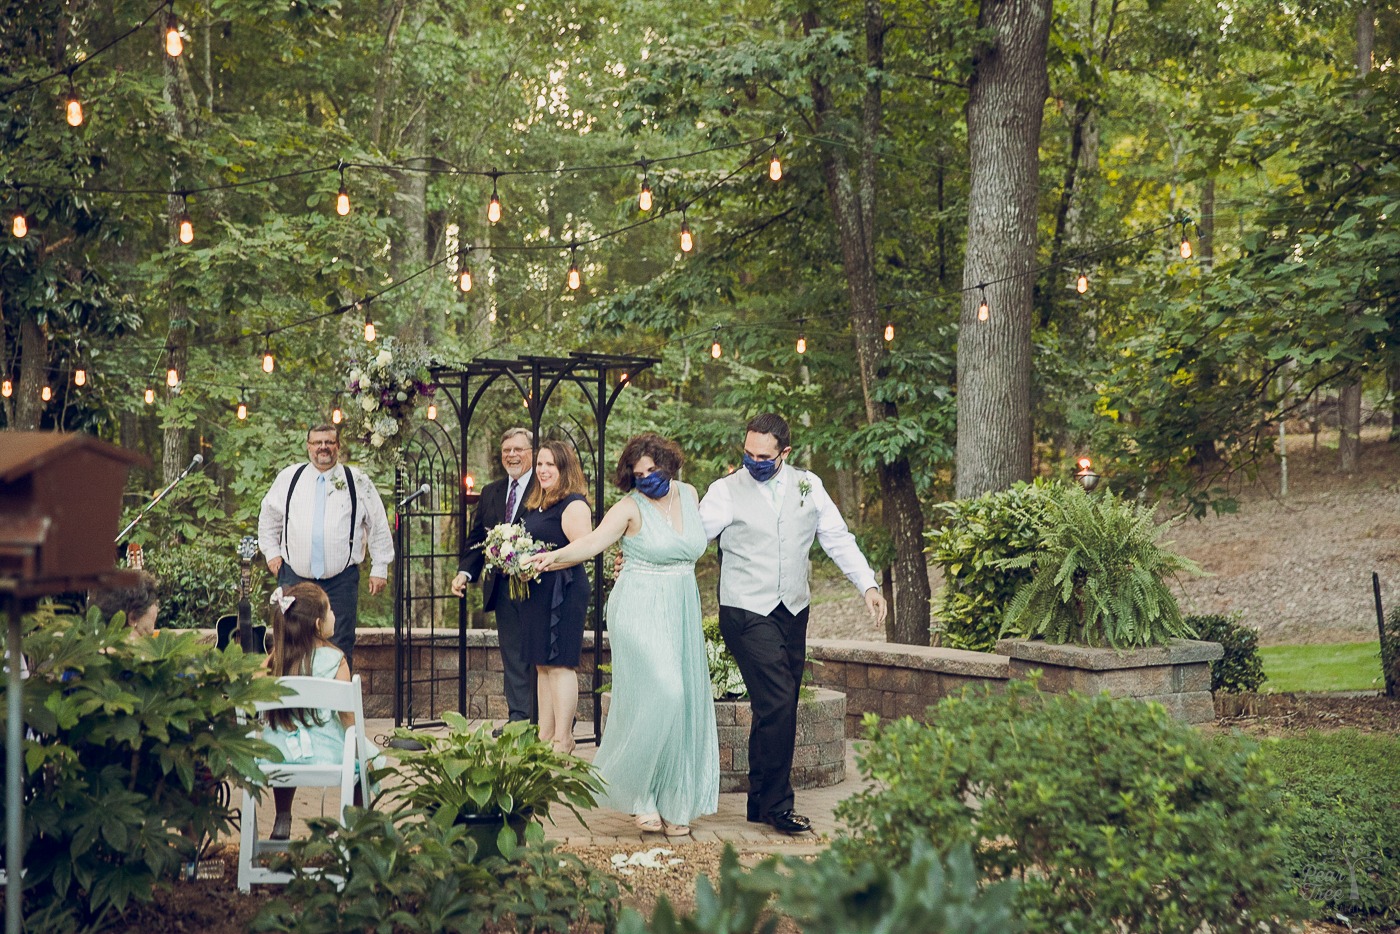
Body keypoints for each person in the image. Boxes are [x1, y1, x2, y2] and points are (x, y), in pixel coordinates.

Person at [699, 413, 887, 835]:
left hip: (793, 611)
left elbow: (838, 538)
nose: (753, 462)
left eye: (763, 456)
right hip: (745, 609)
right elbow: (692, 537)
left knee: (774, 706)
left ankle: (760, 803)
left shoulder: (810, 486)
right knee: (781, 698)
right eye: (747, 454)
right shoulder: (724, 492)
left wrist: (868, 585)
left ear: (785, 452)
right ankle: (779, 806)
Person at [528, 433, 717, 836]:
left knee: (680, 705)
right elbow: (593, 542)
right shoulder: (628, 507)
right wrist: (551, 558)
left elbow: (692, 541)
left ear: (670, 464)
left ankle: (671, 796)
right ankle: (638, 795)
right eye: (639, 474)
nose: (647, 477)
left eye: (653, 470)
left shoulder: (688, 493)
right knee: (667, 692)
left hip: (681, 605)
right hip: (638, 606)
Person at [258, 424, 394, 670]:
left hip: (340, 581)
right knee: (289, 642)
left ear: (338, 446)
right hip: (294, 577)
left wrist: (380, 566)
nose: (323, 447)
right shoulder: (290, 478)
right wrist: (272, 553)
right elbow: (269, 517)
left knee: (339, 643)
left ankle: (334, 705)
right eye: (317, 442)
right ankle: (292, 706)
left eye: (329, 442)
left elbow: (378, 522)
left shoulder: (357, 480)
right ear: (308, 446)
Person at [260, 582, 360, 841]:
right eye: (330, 611)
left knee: (283, 737)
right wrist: (359, 746)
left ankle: (283, 816)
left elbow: (253, 695)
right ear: (318, 624)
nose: (335, 615)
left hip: (277, 754)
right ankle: (358, 826)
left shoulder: (275, 659)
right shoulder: (336, 659)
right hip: (327, 753)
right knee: (362, 759)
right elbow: (347, 718)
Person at [450, 428, 536, 729]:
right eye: (506, 451)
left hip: (538, 585)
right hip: (502, 588)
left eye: (518, 449)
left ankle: (545, 718)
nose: (511, 455)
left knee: (539, 654)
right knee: (512, 654)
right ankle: (519, 718)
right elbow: (477, 539)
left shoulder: (545, 487)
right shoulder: (491, 492)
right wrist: (464, 572)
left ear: (532, 453)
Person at [515, 439, 592, 755]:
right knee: (542, 665)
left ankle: (564, 739)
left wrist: (547, 560)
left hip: (565, 590)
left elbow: (583, 548)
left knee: (560, 664)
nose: (543, 470)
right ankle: (545, 735)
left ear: (564, 469)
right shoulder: (538, 503)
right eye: (540, 463)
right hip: (538, 591)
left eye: (551, 464)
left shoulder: (573, 504)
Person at [89, 570, 161, 637]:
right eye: (154, 602)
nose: (157, 608)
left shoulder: (96, 644)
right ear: (133, 618)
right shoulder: (131, 647)